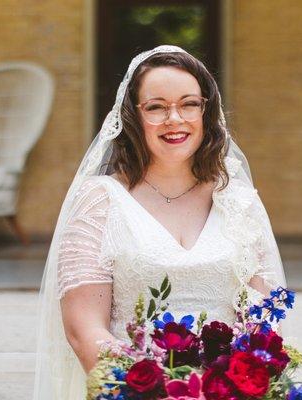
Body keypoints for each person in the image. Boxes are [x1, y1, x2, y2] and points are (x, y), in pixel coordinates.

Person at [32, 45, 287, 399]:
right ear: (133, 118)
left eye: (189, 104)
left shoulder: (238, 201)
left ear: (206, 111)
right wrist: (156, 393)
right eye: (156, 107)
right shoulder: (100, 201)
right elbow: (83, 330)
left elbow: (262, 320)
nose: (175, 119)